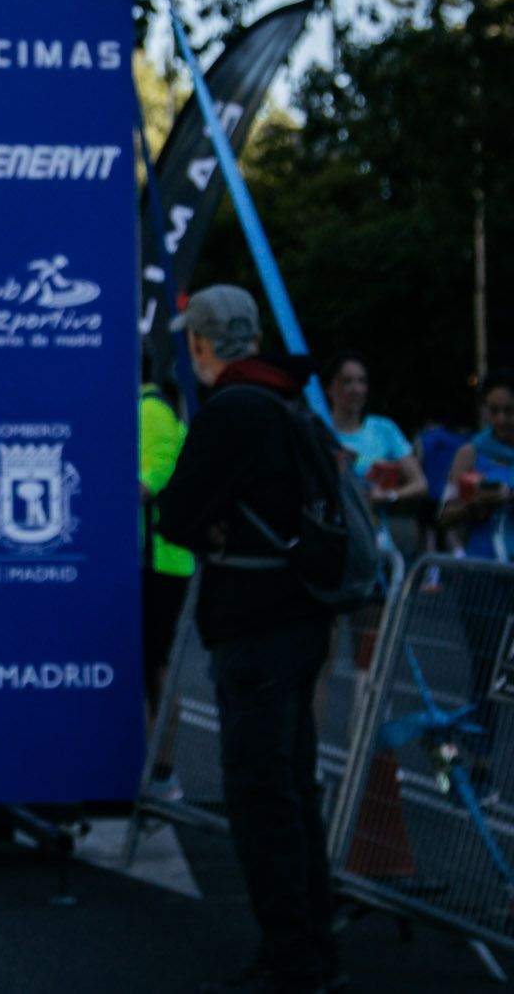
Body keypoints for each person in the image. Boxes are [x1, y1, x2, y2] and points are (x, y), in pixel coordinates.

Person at [155, 285, 337, 993]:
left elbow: (177, 513)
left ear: (201, 342)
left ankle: (289, 957)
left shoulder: (232, 409)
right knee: (293, 787)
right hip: (304, 614)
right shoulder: (290, 399)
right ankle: (315, 946)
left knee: (260, 795)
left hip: (254, 624)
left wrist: (210, 522)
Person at [434, 373, 514, 758]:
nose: (500, 420)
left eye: (509, 411)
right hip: (484, 575)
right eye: (493, 411)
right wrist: (478, 503)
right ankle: (479, 758)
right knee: (488, 668)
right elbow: (445, 515)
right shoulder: (471, 453)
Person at [138, 369, 190, 801]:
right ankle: (153, 768)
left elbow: (153, 476)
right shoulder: (143, 407)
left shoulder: (151, 409)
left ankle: (162, 772)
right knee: (145, 666)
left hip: (159, 560)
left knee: (154, 667)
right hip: (148, 560)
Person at [322, 351, 427, 554]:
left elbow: (420, 484)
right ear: (329, 388)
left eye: (361, 381)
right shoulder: (318, 430)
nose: (356, 389)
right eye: (347, 382)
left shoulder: (383, 429)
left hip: (375, 538)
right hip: (332, 536)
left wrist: (388, 495)